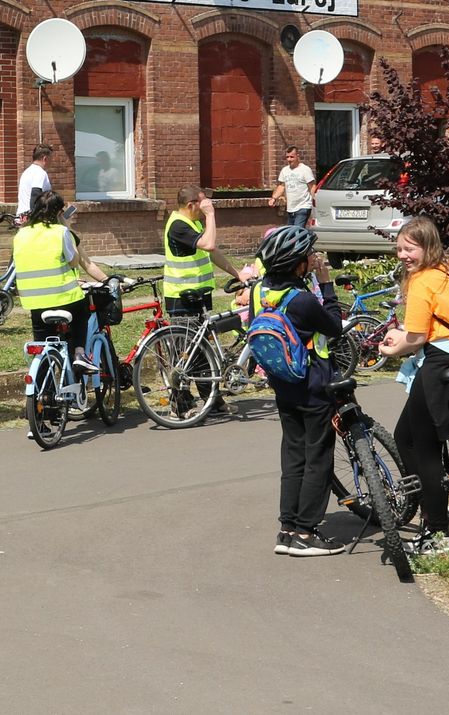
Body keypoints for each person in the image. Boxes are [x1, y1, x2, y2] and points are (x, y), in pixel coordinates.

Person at [379, 217, 449, 556]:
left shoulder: (422, 281)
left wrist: (391, 348)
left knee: (423, 447)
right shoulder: (444, 271)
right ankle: (433, 498)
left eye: (410, 248)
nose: (403, 255)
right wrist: (404, 337)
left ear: (427, 248)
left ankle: (436, 531)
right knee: (404, 436)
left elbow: (417, 338)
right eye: (400, 248)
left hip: (438, 361)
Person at [254, 226, 345, 557]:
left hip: (283, 386)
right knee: (318, 458)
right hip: (313, 388)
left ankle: (287, 528)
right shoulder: (303, 300)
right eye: (309, 256)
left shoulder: (258, 293)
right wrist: (327, 285)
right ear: (298, 265)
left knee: (293, 457)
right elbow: (334, 326)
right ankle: (305, 534)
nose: (313, 259)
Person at [13, 191, 110, 373]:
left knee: (42, 345)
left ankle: (41, 391)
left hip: (34, 302)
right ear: (58, 212)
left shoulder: (21, 235)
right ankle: (79, 353)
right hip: (63, 298)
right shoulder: (60, 232)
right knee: (82, 315)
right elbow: (74, 261)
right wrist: (66, 228)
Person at [163, 186, 243, 315]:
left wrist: (237, 274)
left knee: (205, 334)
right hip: (182, 296)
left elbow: (211, 252)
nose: (204, 207)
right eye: (202, 203)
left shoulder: (194, 223)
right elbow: (209, 245)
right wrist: (210, 215)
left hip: (198, 292)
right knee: (189, 335)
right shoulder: (178, 226)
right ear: (190, 205)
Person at [268, 146, 316, 227]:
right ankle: (309, 238)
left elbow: (312, 187)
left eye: (292, 157)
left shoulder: (305, 170)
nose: (289, 159)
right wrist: (274, 198)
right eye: (287, 157)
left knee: (296, 231)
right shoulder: (285, 170)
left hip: (303, 206)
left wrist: (316, 202)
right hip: (290, 208)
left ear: (297, 155)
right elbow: (281, 186)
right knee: (292, 232)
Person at [17, 144, 53, 219]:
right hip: (31, 218)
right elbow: (35, 193)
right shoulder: (40, 173)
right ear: (44, 158)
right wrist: (34, 217)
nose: (51, 162)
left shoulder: (27, 172)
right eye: (51, 159)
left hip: (22, 216)